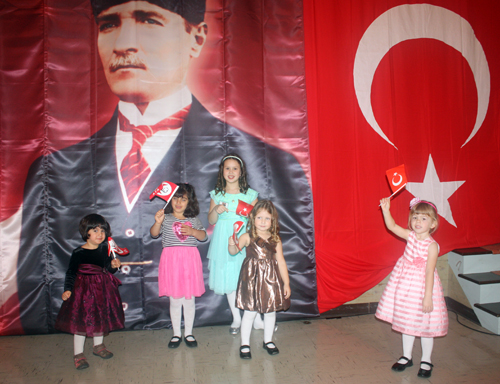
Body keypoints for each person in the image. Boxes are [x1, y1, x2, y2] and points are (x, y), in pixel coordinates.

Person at [16, 0, 315, 334]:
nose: (124, 42)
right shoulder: (52, 169)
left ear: (197, 37)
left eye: (148, 21)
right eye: (108, 24)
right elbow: (28, 286)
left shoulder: (278, 159)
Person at [375, 197, 448, 379]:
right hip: (405, 286)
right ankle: (406, 356)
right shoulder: (411, 236)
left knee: (425, 325)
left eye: (424, 218)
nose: (418, 222)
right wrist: (386, 210)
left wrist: (428, 296)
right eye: (415, 217)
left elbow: (430, 271)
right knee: (407, 323)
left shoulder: (432, 246)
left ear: (433, 224)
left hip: (423, 288)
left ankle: (426, 359)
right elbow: (392, 227)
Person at [55, 214, 124, 370]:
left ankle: (98, 346)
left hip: (102, 290)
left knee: (100, 317)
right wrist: (67, 289)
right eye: (95, 230)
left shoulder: (105, 249)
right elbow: (71, 272)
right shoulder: (79, 253)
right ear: (86, 232)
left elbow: (108, 269)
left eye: (102, 231)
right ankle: (78, 354)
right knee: (81, 322)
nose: (100, 234)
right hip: (83, 292)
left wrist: (114, 265)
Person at [228, 200, 290, 359]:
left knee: (270, 312)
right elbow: (234, 251)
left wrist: (286, 283)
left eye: (267, 218)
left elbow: (281, 261)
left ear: (273, 221)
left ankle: (268, 341)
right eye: (259, 218)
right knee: (249, 312)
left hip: (270, 280)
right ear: (252, 218)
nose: (263, 222)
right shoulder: (248, 236)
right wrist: (231, 243)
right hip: (251, 280)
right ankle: (245, 344)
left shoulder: (275, 239)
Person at [207, 154, 259, 334]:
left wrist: (249, 219)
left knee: (248, 278)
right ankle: (236, 318)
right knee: (228, 278)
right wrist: (215, 209)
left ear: (241, 172)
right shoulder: (217, 194)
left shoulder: (250, 194)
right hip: (223, 239)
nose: (231, 172)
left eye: (234, 168)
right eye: (227, 168)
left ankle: (256, 317)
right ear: (222, 171)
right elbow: (212, 220)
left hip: (243, 238)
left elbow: (257, 221)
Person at [150, 183, 207, 348]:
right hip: (171, 263)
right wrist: (157, 222)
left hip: (189, 262)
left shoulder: (193, 219)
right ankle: (176, 334)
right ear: (169, 200)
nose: (179, 202)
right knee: (175, 301)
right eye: (175, 198)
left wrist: (193, 232)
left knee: (189, 300)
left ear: (190, 202)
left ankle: (188, 333)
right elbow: (154, 234)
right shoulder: (165, 218)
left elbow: (203, 237)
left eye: (183, 199)